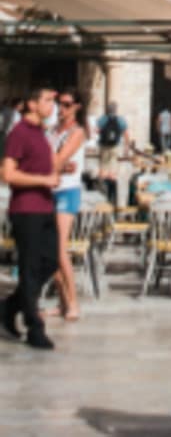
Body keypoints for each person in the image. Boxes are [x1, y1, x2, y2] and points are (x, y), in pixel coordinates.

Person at [4, 84, 61, 351]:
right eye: (48, 100)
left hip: (45, 206)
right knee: (29, 268)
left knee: (49, 261)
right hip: (26, 210)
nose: (53, 106)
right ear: (32, 103)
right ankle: (34, 327)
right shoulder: (19, 133)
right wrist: (43, 179)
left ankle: (9, 307)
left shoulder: (41, 132)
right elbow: (8, 174)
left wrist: (59, 169)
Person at [47, 89, 88, 322]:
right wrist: (55, 166)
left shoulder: (78, 131)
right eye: (58, 103)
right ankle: (62, 302)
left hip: (67, 191)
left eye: (66, 104)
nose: (61, 109)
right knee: (50, 249)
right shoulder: (53, 130)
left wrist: (57, 165)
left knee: (59, 248)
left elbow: (57, 159)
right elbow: (46, 160)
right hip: (49, 189)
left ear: (77, 107)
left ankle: (74, 303)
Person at [95, 98, 130, 205]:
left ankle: (102, 196)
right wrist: (126, 147)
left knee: (103, 169)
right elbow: (126, 134)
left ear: (107, 109)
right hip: (115, 147)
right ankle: (112, 198)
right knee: (113, 171)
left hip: (104, 146)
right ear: (116, 110)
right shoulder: (121, 120)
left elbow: (96, 130)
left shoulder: (102, 119)